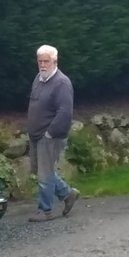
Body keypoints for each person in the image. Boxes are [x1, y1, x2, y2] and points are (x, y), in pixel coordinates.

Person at [26, 44, 79, 222]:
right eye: (40, 61)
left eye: (46, 61)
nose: (42, 65)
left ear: (55, 61)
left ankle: (45, 210)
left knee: (44, 174)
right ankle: (68, 194)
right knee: (40, 170)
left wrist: (50, 133)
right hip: (36, 135)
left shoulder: (62, 83)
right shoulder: (38, 79)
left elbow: (65, 112)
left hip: (50, 136)